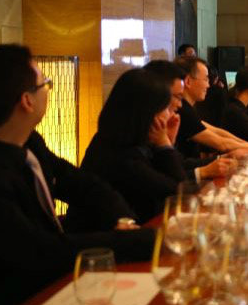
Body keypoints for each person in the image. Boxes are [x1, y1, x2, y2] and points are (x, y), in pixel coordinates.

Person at [0, 45, 153, 305]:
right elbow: (36, 250)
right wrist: (133, 242)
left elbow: (85, 185)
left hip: (52, 287)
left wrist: (124, 222)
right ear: (26, 101)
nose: (49, 89)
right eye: (46, 83)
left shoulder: (30, 142)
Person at [77, 69, 187, 224]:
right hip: (109, 237)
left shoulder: (127, 140)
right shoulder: (121, 155)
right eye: (165, 108)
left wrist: (168, 142)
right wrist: (165, 145)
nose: (169, 115)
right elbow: (180, 193)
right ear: (145, 113)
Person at [143, 60, 235, 181]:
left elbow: (180, 163)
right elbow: (173, 186)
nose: (179, 105)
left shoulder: (185, 111)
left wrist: (221, 159)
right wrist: (165, 144)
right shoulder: (133, 150)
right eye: (176, 97)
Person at [173, 56, 248, 159]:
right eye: (206, 79)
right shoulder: (182, 110)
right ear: (188, 82)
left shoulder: (187, 109)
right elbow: (221, 143)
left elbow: (217, 132)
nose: (208, 85)